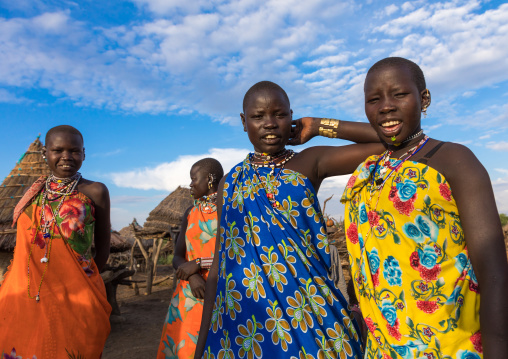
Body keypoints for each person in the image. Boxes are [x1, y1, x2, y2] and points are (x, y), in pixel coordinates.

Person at [195, 81, 385, 359]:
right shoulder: (229, 183)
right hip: (244, 321)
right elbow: (219, 267)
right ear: (243, 122)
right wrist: (201, 347)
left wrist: (320, 126)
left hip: (311, 314)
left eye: (279, 115)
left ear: (292, 117)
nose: (269, 124)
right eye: (258, 116)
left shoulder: (310, 162)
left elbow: (388, 140)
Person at [337, 57, 508, 358]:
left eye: (399, 94)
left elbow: (494, 273)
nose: (386, 106)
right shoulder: (369, 170)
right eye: (373, 100)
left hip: (450, 346)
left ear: (424, 98)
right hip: (382, 348)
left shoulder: (453, 160)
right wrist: (316, 126)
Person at [0, 125, 112, 359]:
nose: (66, 157)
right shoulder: (33, 194)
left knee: (75, 349)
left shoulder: (95, 191)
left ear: (84, 153)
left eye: (74, 150)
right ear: (45, 153)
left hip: (77, 294)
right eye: (58, 150)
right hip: (28, 293)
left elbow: (103, 246)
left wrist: (85, 281)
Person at [157, 158, 224, 359]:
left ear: (210, 179)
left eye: (194, 179)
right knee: (183, 348)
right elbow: (177, 257)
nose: (190, 184)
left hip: (221, 290)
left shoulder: (229, 210)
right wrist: (192, 276)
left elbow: (236, 254)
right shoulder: (190, 212)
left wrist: (198, 264)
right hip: (188, 295)